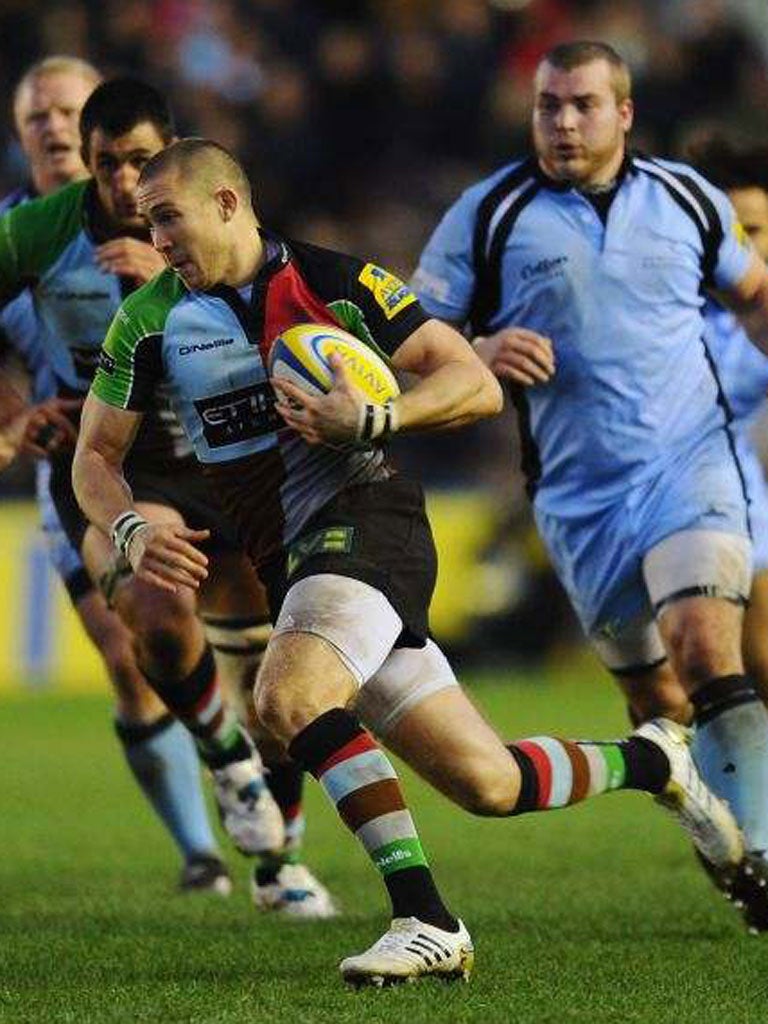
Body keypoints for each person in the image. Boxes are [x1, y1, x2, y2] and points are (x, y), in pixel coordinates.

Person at [73, 137, 744, 985]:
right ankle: (656, 760)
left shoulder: (335, 282)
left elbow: (472, 379)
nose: (157, 240)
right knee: (488, 782)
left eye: (167, 218)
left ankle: (426, 919)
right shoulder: (149, 319)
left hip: (367, 523)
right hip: (298, 565)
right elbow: (94, 458)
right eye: (147, 224)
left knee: (286, 696)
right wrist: (129, 529)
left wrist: (378, 419)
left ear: (228, 205)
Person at [412, 39, 768, 931]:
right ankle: (717, 822)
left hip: (692, 465)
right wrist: (482, 350)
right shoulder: (487, 214)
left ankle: (763, 850)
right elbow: (410, 335)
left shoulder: (689, 199)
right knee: (657, 703)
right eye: (548, 106)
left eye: (583, 105)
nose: (564, 122)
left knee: (704, 647)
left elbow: (754, 290)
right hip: (578, 502)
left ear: (625, 113)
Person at [0, 76, 310, 902]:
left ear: (168, 152)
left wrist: (167, 280)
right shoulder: (36, 231)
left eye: (138, 162)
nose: (121, 183)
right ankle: (221, 758)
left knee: (273, 682)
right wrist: (19, 410)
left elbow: (285, 309)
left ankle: (284, 865)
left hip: (223, 455)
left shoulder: (201, 229)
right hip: (109, 460)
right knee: (154, 617)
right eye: (107, 166)